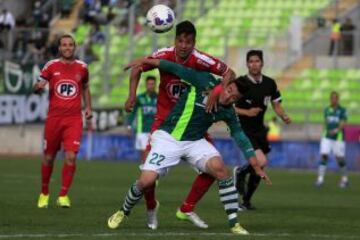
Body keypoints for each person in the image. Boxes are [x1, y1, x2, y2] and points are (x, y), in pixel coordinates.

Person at [108, 58, 271, 235]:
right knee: (146, 181)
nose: (228, 97)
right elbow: (172, 66)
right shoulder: (203, 80)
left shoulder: (229, 111)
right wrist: (145, 60)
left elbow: (240, 136)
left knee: (220, 170)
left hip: (194, 142)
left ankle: (234, 224)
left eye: (235, 97)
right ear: (226, 83)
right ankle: (123, 211)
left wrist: (255, 165)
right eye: (229, 90)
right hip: (168, 137)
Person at [124, 20, 235, 229]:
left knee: (216, 168)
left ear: (194, 42)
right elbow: (138, 66)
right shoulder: (164, 54)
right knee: (148, 176)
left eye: (189, 42)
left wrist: (216, 91)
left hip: (193, 124)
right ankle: (150, 208)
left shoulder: (200, 59)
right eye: (180, 41)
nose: (184, 46)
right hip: (164, 124)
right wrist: (131, 95)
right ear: (175, 40)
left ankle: (187, 208)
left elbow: (230, 73)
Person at [34, 34, 92, 208]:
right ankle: (44, 193)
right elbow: (38, 85)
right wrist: (37, 87)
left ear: (74, 47)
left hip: (74, 119)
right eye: (64, 45)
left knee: (71, 156)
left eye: (70, 45)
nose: (67, 48)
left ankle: (63, 195)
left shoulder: (82, 67)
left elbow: (85, 87)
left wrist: (88, 107)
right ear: (59, 48)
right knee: (49, 158)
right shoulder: (51, 66)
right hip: (54, 119)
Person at [233, 50, 291, 210]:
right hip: (244, 129)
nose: (254, 64)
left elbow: (276, 104)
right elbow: (229, 107)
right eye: (250, 61)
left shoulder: (270, 83)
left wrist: (283, 116)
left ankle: (246, 201)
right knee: (262, 161)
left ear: (262, 63)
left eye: (257, 61)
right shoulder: (240, 83)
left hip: (260, 130)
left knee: (261, 167)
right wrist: (247, 112)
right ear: (247, 64)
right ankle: (240, 172)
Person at [315, 91, 348, 188]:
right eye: (332, 98)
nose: (333, 100)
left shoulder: (342, 110)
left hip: (338, 138)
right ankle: (320, 179)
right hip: (327, 137)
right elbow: (326, 122)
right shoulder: (327, 109)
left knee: (339, 158)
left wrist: (336, 130)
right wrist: (324, 130)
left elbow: (343, 122)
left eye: (335, 98)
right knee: (324, 155)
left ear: (337, 99)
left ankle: (345, 179)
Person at [127, 76, 157, 162]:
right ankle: (145, 170)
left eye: (152, 84)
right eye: (149, 84)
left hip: (155, 130)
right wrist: (129, 126)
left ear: (155, 85)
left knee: (152, 152)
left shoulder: (158, 98)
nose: (151, 86)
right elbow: (133, 112)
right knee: (144, 152)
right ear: (146, 85)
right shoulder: (140, 98)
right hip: (142, 129)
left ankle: (148, 171)